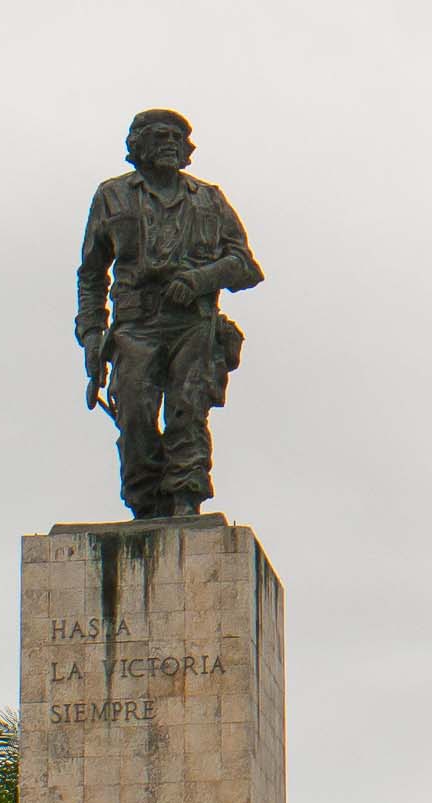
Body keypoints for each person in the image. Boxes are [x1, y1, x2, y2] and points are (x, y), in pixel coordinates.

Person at [76, 108, 264, 519]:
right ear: (136, 145)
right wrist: (92, 334)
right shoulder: (112, 196)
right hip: (134, 327)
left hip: (191, 325)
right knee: (136, 415)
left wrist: (199, 279)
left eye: (178, 138)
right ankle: (145, 505)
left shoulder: (210, 200)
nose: (170, 144)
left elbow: (246, 266)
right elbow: (92, 275)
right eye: (160, 135)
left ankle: (185, 500)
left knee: (187, 410)